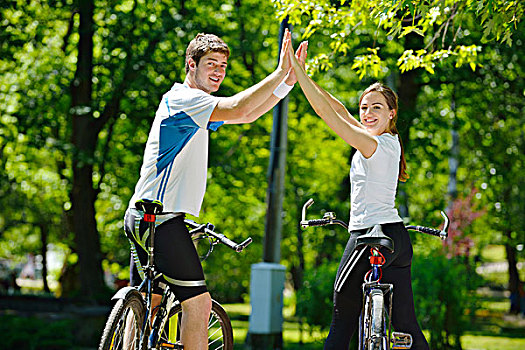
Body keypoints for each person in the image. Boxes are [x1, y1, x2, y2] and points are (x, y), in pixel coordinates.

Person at [124, 30, 305, 349]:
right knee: (198, 304)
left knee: (148, 303)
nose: (219, 71)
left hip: (140, 216)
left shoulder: (187, 104)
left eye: (223, 65)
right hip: (162, 220)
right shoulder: (187, 100)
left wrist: (289, 82)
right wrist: (278, 72)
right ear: (190, 64)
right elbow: (237, 108)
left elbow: (247, 114)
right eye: (211, 64)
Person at [288, 43, 429, 349]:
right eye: (364, 107)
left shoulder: (373, 145)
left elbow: (329, 116)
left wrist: (298, 75)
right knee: (406, 323)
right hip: (398, 238)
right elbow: (338, 108)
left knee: (342, 317)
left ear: (391, 113)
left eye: (376, 107)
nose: (367, 113)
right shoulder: (386, 142)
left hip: (368, 234)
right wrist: (308, 76)